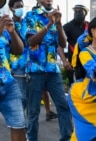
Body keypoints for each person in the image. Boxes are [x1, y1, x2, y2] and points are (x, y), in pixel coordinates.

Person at [24, 0, 72, 140]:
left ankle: (66, 138)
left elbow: (62, 44)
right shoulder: (30, 16)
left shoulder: (55, 18)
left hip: (52, 70)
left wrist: (58, 24)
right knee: (33, 110)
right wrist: (49, 23)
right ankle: (32, 138)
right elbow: (31, 41)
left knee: (63, 106)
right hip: (35, 69)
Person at [0, 11, 26, 141]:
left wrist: (12, 32)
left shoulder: (3, 28)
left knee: (19, 125)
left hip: (8, 83)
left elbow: (19, 50)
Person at [8, 0, 28, 111]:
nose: (20, 8)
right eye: (18, 6)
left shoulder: (27, 23)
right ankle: (18, 123)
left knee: (30, 97)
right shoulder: (8, 25)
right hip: (16, 66)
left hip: (30, 64)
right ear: (11, 8)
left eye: (22, 6)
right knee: (21, 96)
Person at [63, 4, 89, 87]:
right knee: (75, 87)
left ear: (85, 13)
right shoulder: (67, 27)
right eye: (76, 11)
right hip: (73, 64)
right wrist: (64, 61)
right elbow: (59, 45)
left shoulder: (91, 26)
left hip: (88, 61)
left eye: (80, 11)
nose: (77, 13)